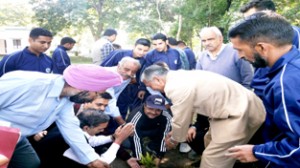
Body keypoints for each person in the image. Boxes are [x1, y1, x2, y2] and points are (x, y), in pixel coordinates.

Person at [141, 65, 266, 168]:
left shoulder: (174, 86)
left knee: (213, 158)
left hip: (240, 112)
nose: (153, 89)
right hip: (233, 110)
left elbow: (181, 116)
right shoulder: (180, 75)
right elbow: (186, 111)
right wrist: (176, 132)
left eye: (150, 85)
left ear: (157, 79)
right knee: (209, 141)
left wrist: (174, 139)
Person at [0, 64, 123, 168]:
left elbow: (71, 130)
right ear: (85, 87)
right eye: (97, 93)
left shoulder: (65, 101)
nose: (95, 98)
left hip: (17, 138)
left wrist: (92, 160)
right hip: (2, 134)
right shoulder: (29, 84)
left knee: (30, 163)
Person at [226, 12, 300, 167]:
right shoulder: (292, 66)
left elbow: (297, 147)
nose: (239, 56)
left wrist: (256, 152)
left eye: (240, 49)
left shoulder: (285, 82)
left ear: (261, 47)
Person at [34, 109, 136, 168]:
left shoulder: (72, 127)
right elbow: (101, 163)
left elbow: (91, 141)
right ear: (86, 127)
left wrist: (112, 137)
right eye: (100, 129)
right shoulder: (67, 141)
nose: (102, 131)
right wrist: (119, 141)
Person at [240, 0, 300, 98]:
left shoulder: (293, 33)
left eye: (252, 19)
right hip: (262, 95)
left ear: (269, 14)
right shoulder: (257, 38)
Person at [101, 38, 151, 116]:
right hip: (111, 85)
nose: (141, 52)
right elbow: (103, 68)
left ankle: (120, 126)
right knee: (109, 104)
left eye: (145, 51)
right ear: (134, 46)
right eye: (139, 49)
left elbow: (142, 76)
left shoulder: (144, 60)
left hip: (130, 88)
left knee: (123, 108)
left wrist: (142, 88)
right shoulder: (118, 54)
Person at [126, 95, 172, 167]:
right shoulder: (135, 117)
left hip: (154, 130)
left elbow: (164, 134)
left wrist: (159, 156)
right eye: (150, 108)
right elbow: (136, 140)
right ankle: (135, 153)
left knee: (168, 135)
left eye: (158, 110)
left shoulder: (166, 116)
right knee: (128, 144)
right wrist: (141, 162)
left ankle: (152, 147)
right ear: (145, 105)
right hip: (139, 131)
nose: (154, 112)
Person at [104, 57, 141, 133]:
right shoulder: (108, 75)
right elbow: (109, 100)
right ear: (118, 66)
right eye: (126, 69)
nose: (129, 74)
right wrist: (123, 124)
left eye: (133, 72)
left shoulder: (127, 76)